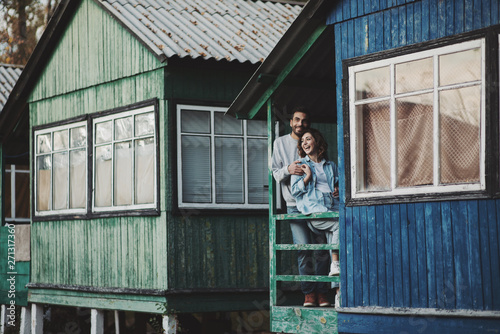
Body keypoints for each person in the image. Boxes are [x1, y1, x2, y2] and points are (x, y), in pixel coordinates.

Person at [271, 107, 331, 308]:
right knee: (303, 249)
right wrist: (288, 169)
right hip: (294, 205)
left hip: (316, 205)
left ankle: (323, 293)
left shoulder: (313, 142)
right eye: (297, 120)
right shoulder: (280, 143)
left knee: (322, 249)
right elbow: (275, 173)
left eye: (304, 121)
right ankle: (309, 293)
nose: (300, 124)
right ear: (290, 122)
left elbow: (326, 171)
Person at [290, 128, 340, 308]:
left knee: (329, 253)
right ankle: (334, 268)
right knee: (339, 229)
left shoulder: (331, 165)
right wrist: (307, 177)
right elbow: (294, 191)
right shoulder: (300, 165)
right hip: (315, 211)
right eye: (302, 140)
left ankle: (337, 293)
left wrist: (338, 189)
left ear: (317, 142)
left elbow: (336, 185)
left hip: (331, 207)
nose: (304, 142)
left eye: (308, 139)